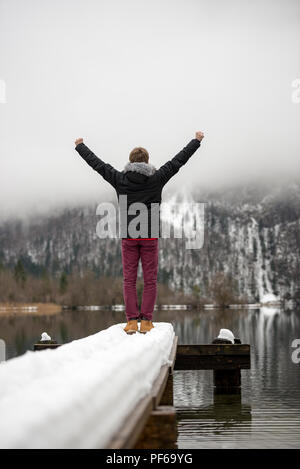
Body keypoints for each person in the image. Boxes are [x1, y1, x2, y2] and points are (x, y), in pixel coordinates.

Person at [75, 131, 204, 334]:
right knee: (150, 280)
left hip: (129, 237)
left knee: (129, 280)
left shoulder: (120, 179)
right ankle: (146, 321)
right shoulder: (157, 178)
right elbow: (178, 161)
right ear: (147, 162)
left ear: (130, 162)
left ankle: (131, 321)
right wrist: (196, 141)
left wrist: (81, 146)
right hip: (150, 235)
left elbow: (98, 165)